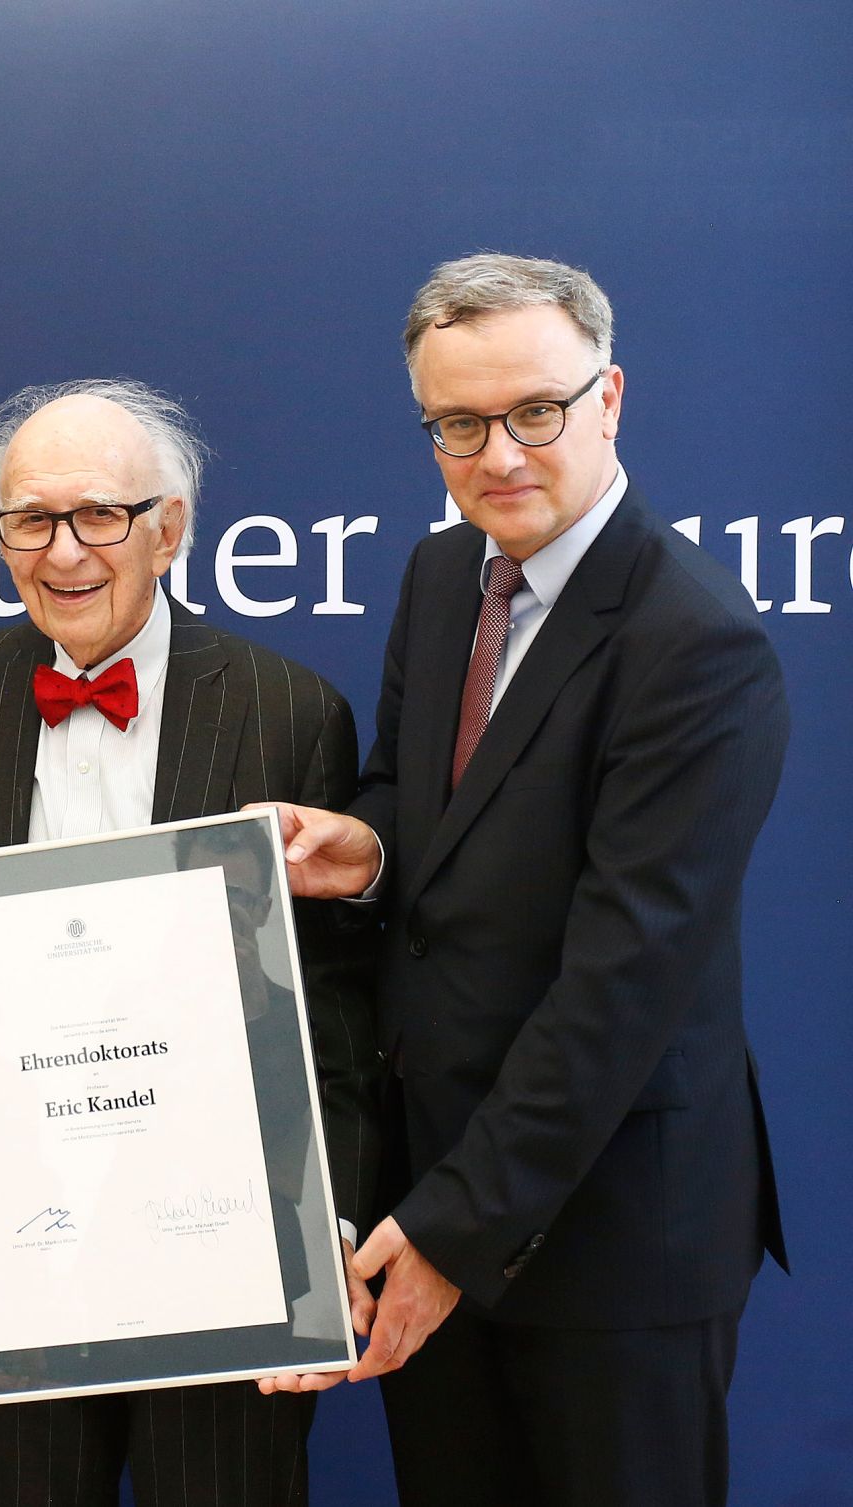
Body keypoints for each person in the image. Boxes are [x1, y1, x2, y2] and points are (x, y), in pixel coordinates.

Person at [271, 253, 788, 1506]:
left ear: (607, 398)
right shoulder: (441, 573)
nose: (496, 455)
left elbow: (622, 986)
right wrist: (368, 849)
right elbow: (413, 793)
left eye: (533, 412)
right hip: (433, 1194)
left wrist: (452, 1229)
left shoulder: (696, 645)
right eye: (456, 423)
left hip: (609, 1240)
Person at [0, 379, 378, 1507]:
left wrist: (319, 1234)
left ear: (168, 529)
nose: (63, 551)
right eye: (30, 520)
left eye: (99, 515)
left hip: (229, 1253)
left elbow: (333, 1017)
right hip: (13, 1253)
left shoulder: (290, 709)